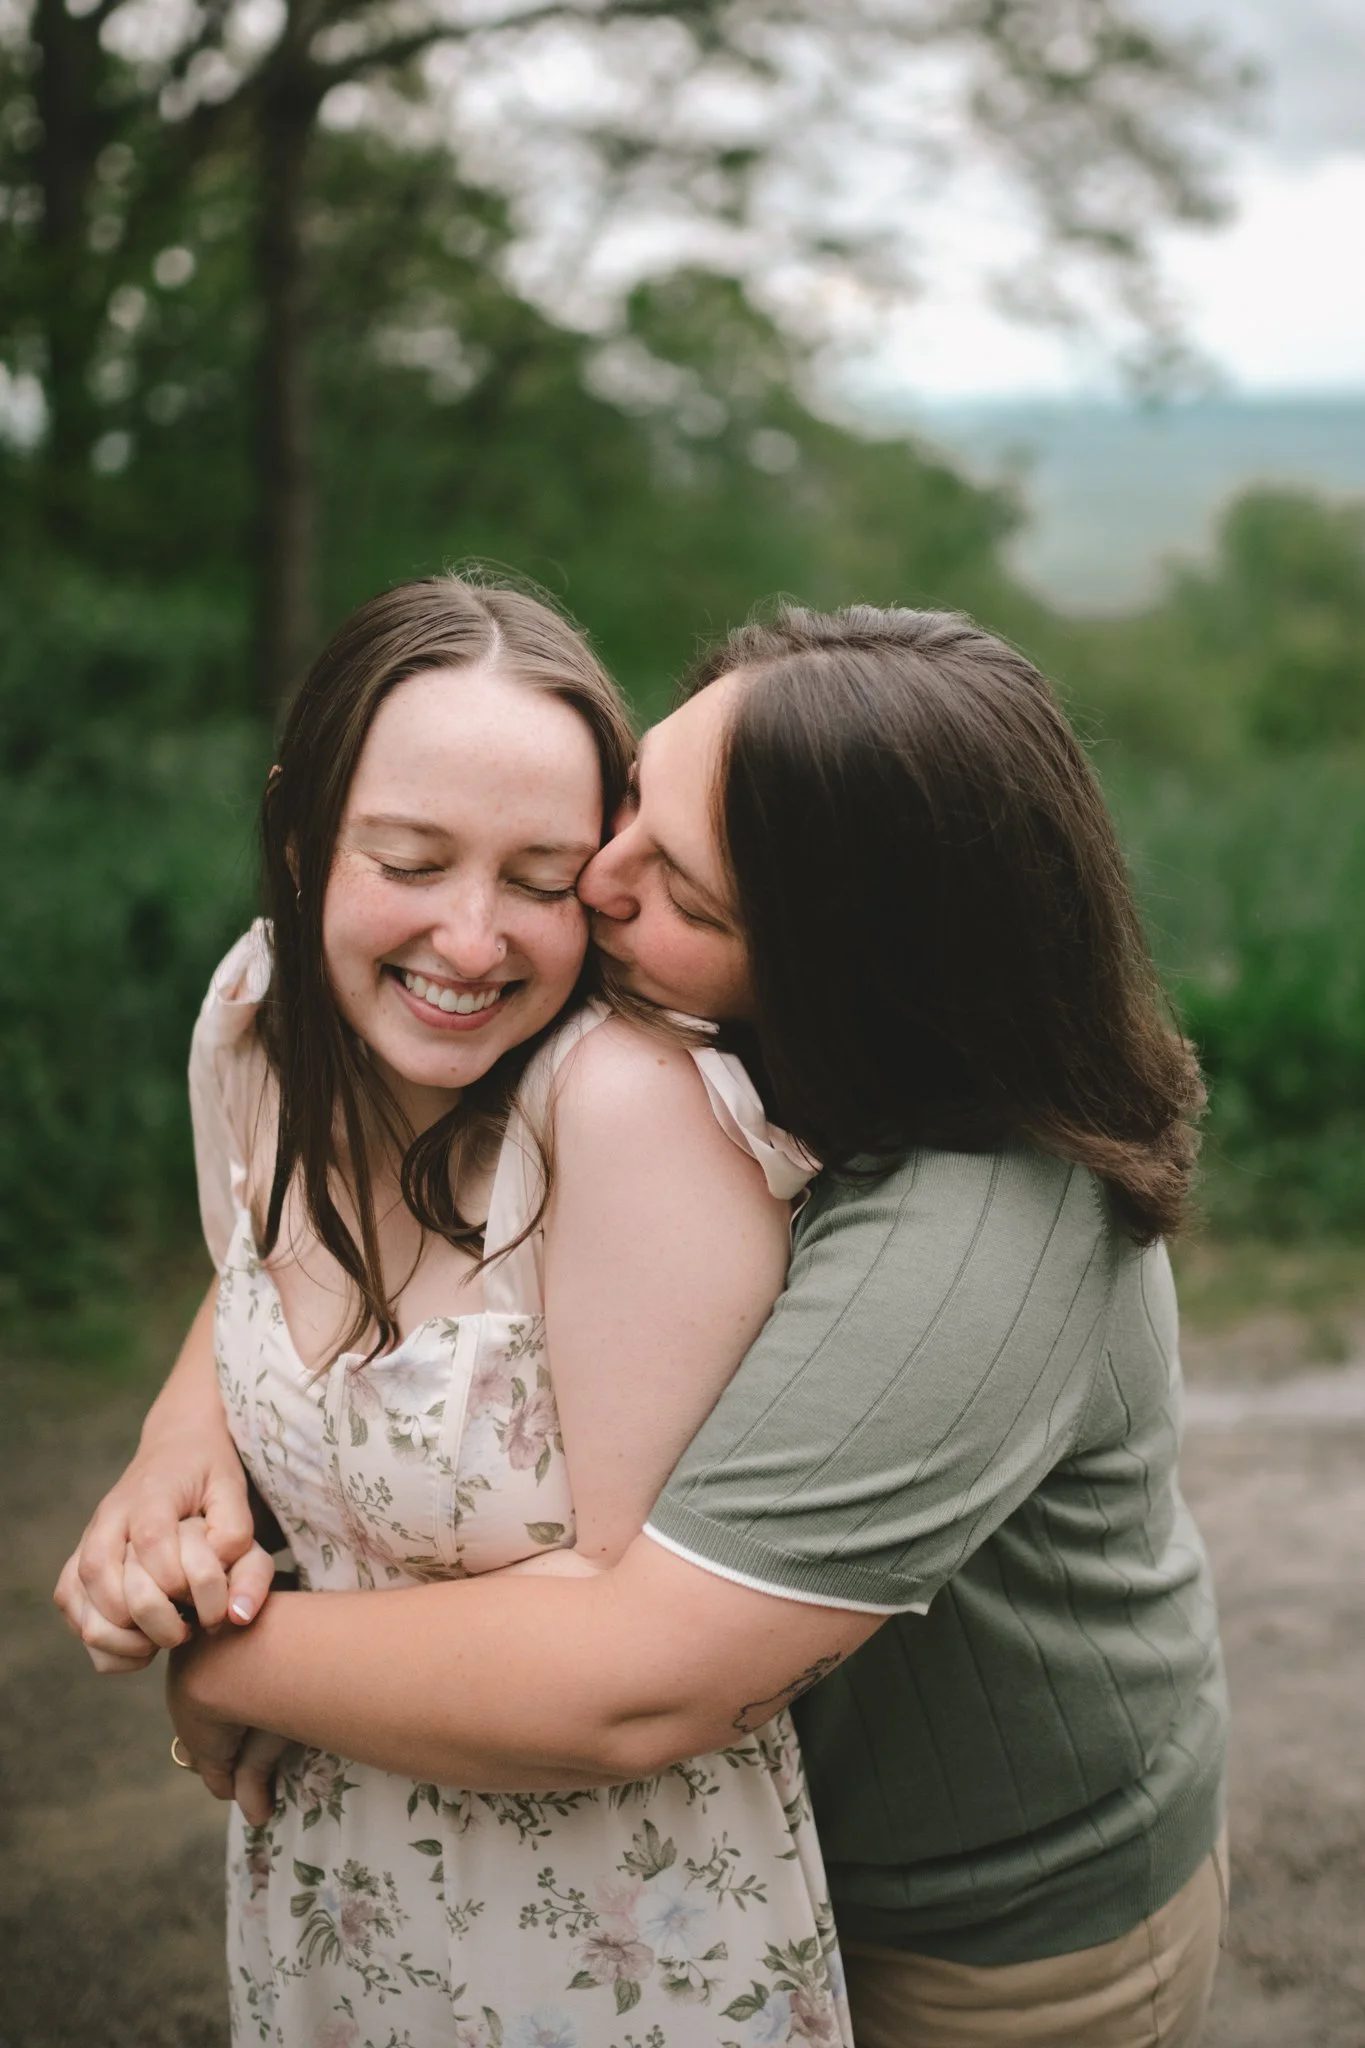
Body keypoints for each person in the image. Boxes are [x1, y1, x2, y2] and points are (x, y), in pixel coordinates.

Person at [61, 604, 1228, 2048]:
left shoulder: (981, 1230)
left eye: (669, 881)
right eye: (632, 809)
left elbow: (640, 1675)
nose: (589, 888)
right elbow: (356, 1228)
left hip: (977, 1926)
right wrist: (194, 1423)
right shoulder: (620, 988)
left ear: (826, 963)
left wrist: (228, 1663)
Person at [58, 574, 852, 2047]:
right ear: (302, 839)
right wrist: (171, 1511)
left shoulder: (625, 1116)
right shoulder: (252, 1024)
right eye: (411, 860)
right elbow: (264, 1309)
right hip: (325, 1914)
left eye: (543, 879)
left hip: (612, 1949)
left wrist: (231, 1660)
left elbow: (648, 1647)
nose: (472, 942)